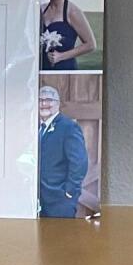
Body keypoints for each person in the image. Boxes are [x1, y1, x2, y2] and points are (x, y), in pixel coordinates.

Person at [38, 83, 88, 218]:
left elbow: (79, 162)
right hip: (40, 198)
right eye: (40, 100)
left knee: (61, 232)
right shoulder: (37, 127)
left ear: (58, 103)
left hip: (60, 199)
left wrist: (69, 191)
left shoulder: (69, 127)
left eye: (49, 100)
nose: (44, 104)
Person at [40, 0, 97, 68]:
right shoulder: (41, 10)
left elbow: (90, 45)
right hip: (42, 69)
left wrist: (61, 56)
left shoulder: (73, 12)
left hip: (65, 71)